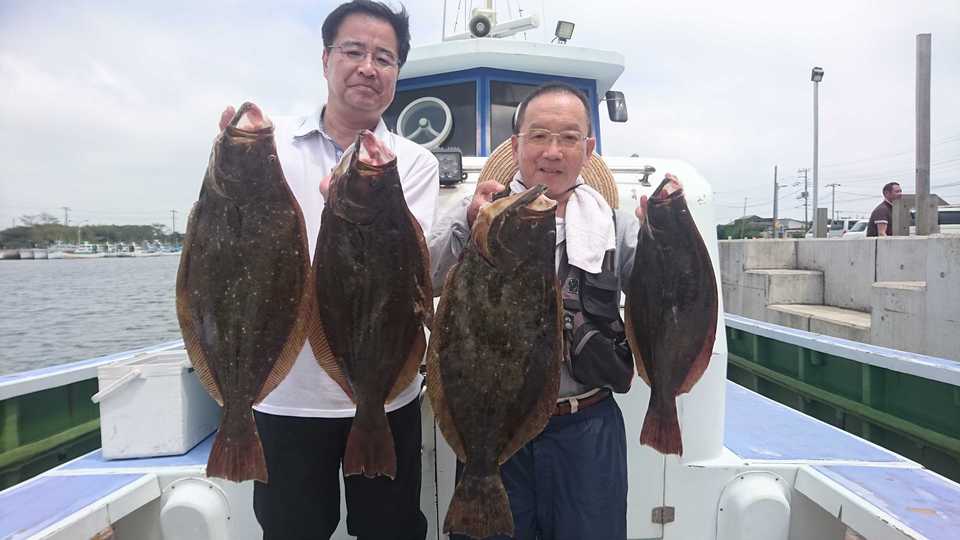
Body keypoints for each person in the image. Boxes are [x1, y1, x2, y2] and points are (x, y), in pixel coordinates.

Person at [219, 2, 439, 539]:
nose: (368, 67)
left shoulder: (413, 163)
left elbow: (398, 266)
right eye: (354, 51)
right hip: (287, 395)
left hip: (384, 391)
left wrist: (347, 198)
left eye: (384, 58)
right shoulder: (273, 148)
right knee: (292, 530)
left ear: (397, 73)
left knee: (391, 530)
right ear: (325, 60)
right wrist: (232, 155)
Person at [429, 83, 655, 540]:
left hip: (586, 428)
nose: (553, 151)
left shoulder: (614, 226)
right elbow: (424, 275)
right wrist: (467, 223)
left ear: (587, 149)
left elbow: (663, 301)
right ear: (516, 145)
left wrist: (666, 240)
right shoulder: (479, 216)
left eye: (569, 138)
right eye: (538, 136)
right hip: (493, 429)